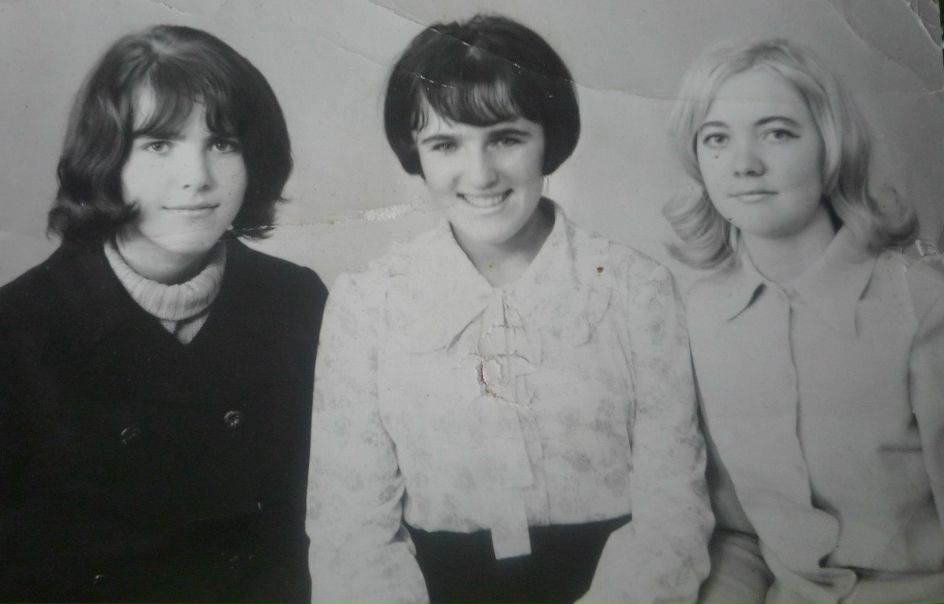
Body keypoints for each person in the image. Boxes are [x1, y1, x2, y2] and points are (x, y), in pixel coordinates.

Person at [307, 13, 711, 604]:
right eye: (446, 144)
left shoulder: (636, 289)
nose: (480, 175)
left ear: (549, 140)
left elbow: (674, 515)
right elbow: (351, 535)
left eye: (506, 138)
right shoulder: (367, 304)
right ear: (416, 152)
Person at [0, 25, 327, 603]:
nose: (197, 177)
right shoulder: (18, 328)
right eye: (159, 145)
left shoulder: (297, 301)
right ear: (106, 159)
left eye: (222, 143)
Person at [664, 38, 944, 603]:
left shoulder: (922, 306)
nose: (744, 164)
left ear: (831, 148)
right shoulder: (699, 316)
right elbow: (737, 532)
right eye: (717, 138)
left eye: (777, 133)